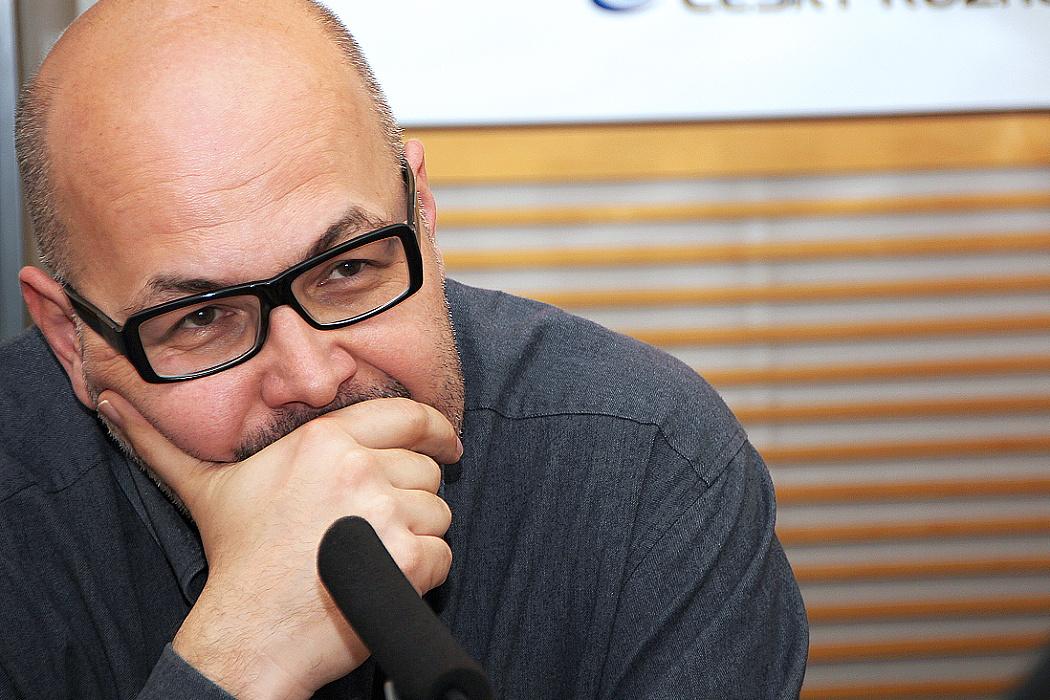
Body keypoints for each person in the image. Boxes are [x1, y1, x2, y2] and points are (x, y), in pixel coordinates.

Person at [0, 0, 808, 697]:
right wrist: (235, 661)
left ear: (422, 214)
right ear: (72, 338)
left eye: (347, 269)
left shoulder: (644, 461)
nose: (314, 377)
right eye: (203, 318)